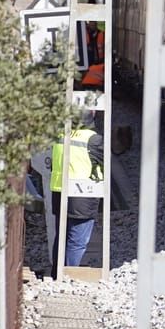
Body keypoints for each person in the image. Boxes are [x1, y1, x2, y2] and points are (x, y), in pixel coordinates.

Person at [48, 109, 104, 275]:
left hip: (60, 194)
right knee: (77, 241)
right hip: (83, 196)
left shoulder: (60, 136)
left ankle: (56, 273)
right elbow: (105, 162)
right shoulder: (94, 140)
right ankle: (70, 275)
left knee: (62, 237)